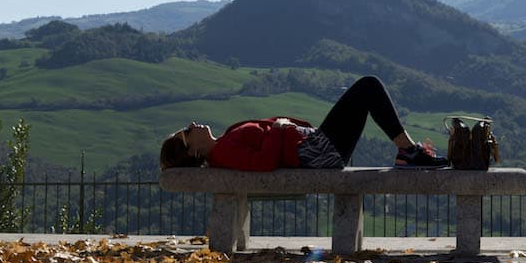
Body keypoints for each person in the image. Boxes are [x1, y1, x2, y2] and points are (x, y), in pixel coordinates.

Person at [159, 75, 449, 170]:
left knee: (367, 89)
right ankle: (408, 152)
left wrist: (288, 126)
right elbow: (263, 164)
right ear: (192, 152)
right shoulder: (222, 153)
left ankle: (408, 152)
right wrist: (278, 128)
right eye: (187, 132)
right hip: (317, 153)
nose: (192, 124)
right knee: (368, 87)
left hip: (315, 145)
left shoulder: (223, 144)